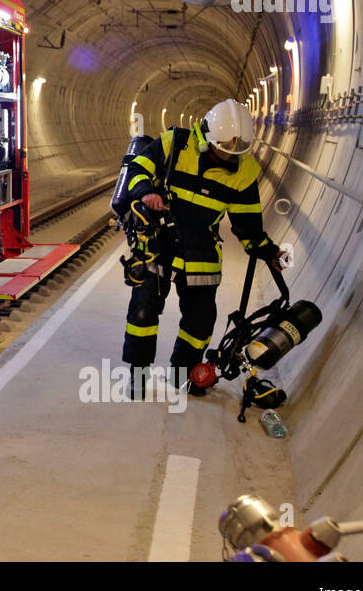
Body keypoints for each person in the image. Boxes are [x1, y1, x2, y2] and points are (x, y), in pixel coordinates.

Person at [121, 99, 282, 397]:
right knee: (143, 312)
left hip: (202, 250)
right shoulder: (175, 144)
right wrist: (146, 193)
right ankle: (137, 372)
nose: (227, 157)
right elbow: (137, 170)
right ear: (207, 138)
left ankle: (184, 374)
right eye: (222, 148)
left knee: (201, 319)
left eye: (235, 151)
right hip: (159, 242)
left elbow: (247, 222)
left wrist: (265, 249)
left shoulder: (244, 171)